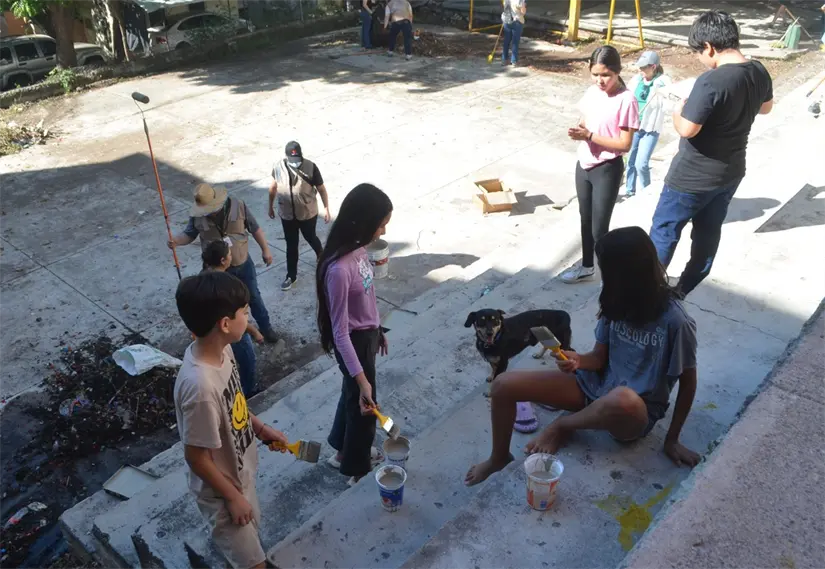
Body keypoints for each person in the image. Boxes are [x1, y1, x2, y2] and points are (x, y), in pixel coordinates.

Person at [465, 227, 700, 487]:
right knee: (502, 385)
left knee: (623, 398)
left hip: (631, 411)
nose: (603, 275)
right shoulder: (615, 301)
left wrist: (672, 440)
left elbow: (688, 383)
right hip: (593, 387)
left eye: (606, 269)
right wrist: (578, 360)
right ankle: (498, 457)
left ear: (628, 273)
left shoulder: (676, 322)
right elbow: (598, 357)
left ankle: (564, 425)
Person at [649, 11, 773, 296]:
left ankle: (648, 292)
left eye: (698, 53)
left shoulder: (711, 81)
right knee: (708, 233)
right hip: (731, 172)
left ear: (709, 47)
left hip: (692, 177)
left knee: (664, 232)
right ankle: (684, 288)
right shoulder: (758, 70)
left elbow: (687, 129)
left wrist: (678, 110)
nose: (699, 59)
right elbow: (766, 108)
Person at [173, 271, 289, 569]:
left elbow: (234, 402)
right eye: (244, 313)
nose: (248, 319)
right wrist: (232, 498)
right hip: (221, 492)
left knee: (250, 545)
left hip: (240, 475)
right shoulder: (200, 388)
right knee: (253, 563)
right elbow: (196, 458)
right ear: (225, 324)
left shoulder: (223, 351)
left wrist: (260, 428)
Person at [317, 184, 393, 485]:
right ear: (363, 222)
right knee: (365, 405)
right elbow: (340, 332)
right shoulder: (338, 270)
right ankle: (357, 468)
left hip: (367, 335)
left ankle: (340, 450)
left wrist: (378, 328)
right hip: (353, 344)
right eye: (381, 223)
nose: (384, 230)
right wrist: (363, 380)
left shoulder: (359, 251)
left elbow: (368, 296)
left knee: (351, 396)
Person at [560, 46, 639, 284]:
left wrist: (590, 136)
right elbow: (586, 119)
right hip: (584, 163)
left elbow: (624, 144)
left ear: (617, 72)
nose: (600, 80)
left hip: (607, 167)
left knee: (599, 229)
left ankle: (611, 275)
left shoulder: (626, 100)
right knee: (585, 219)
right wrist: (579, 130)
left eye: (606, 75)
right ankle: (587, 267)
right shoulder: (593, 92)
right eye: (595, 74)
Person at [168, 183, 281, 343]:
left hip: (241, 263)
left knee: (254, 297)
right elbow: (189, 234)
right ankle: (236, 335)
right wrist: (176, 241)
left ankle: (266, 328)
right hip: (216, 271)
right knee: (224, 307)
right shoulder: (197, 215)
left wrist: (266, 250)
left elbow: (255, 228)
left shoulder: (238, 205)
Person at [201, 240, 264, 396]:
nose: (232, 256)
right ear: (223, 260)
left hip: (213, 332)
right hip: (230, 332)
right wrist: (254, 331)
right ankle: (248, 391)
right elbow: (234, 317)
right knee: (247, 359)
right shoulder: (224, 285)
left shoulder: (204, 276)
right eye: (229, 254)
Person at [268, 141, 331, 292]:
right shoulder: (278, 167)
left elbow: (321, 189)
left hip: (307, 212)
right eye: (292, 159)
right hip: (287, 214)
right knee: (291, 244)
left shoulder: (311, 167)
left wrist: (326, 208)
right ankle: (291, 276)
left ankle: (321, 256)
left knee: (310, 236)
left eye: (297, 159)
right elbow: (273, 187)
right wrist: (270, 206)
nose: (295, 162)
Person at [624, 51, 671, 197]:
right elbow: (626, 97)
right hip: (634, 127)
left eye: (644, 67)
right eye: (640, 67)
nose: (641, 70)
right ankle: (630, 191)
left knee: (641, 164)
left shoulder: (663, 81)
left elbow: (669, 104)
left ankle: (646, 192)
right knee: (630, 161)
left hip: (650, 129)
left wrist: (662, 92)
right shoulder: (636, 80)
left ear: (653, 67)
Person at [501, 0, 526, 66]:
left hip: (507, 21)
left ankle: (504, 59)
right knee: (515, 42)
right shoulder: (520, 1)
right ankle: (514, 60)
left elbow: (505, 8)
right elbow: (523, 12)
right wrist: (524, 6)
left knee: (506, 41)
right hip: (517, 22)